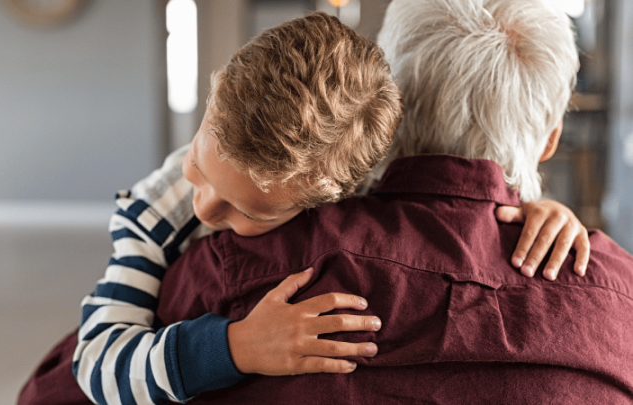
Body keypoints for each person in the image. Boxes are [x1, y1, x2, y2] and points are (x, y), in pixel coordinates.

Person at [17, 10, 592, 405]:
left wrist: (538, 206)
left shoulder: (353, 183)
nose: (204, 207)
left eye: (249, 213)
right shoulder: (151, 218)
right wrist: (235, 347)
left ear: (333, 201)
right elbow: (96, 364)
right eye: (198, 163)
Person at [151, 0, 633, 403]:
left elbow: (88, 376)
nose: (207, 208)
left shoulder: (236, 266)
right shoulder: (618, 293)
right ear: (549, 140)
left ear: (385, 112)